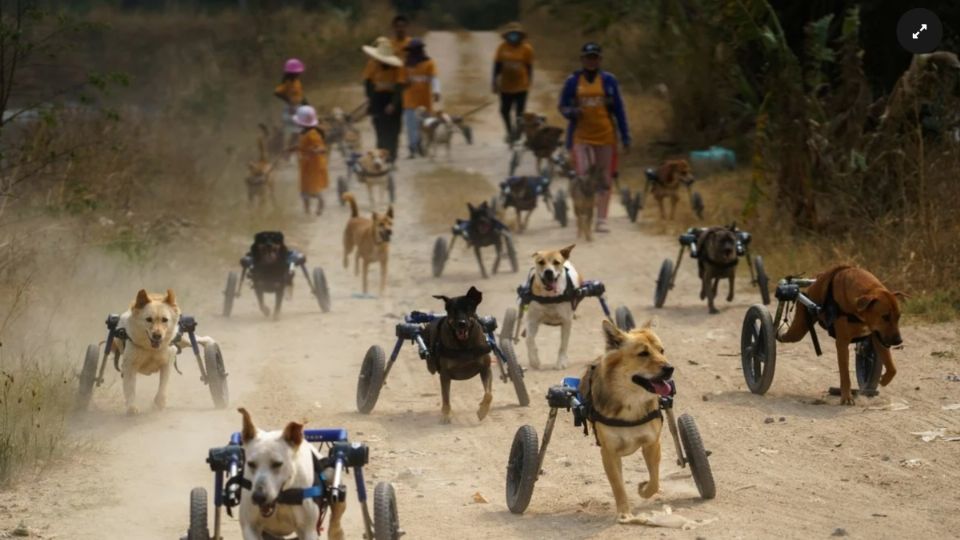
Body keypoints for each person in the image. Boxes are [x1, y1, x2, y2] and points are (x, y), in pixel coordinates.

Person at [558, 42, 631, 233]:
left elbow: (619, 111)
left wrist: (625, 137)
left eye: (595, 58)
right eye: (588, 58)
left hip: (606, 137)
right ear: (582, 59)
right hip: (581, 136)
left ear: (600, 60)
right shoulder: (573, 81)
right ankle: (584, 213)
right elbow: (562, 106)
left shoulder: (609, 81)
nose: (591, 61)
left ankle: (601, 218)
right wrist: (572, 112)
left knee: (604, 177)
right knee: (583, 177)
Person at [362, 37, 406, 163]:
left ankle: (392, 159)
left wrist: (393, 104)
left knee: (393, 132)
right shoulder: (372, 64)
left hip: (393, 100)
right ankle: (379, 159)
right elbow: (367, 84)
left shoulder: (398, 67)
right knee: (380, 131)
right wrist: (370, 102)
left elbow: (399, 87)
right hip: (378, 101)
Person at [493, 21, 534, 143]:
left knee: (519, 113)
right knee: (504, 110)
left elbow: (529, 67)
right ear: (507, 35)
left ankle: (517, 134)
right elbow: (497, 66)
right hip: (505, 86)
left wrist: (529, 82)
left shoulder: (527, 49)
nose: (513, 36)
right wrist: (494, 83)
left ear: (520, 35)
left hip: (521, 86)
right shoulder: (502, 47)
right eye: (511, 34)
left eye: (516, 34)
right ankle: (509, 131)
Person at [401, 38, 440, 158]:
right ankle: (412, 149)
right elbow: (401, 81)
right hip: (409, 100)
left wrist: (436, 91)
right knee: (411, 126)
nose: (412, 54)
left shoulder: (429, 63)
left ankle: (423, 147)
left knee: (425, 126)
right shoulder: (405, 65)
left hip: (425, 101)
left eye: (414, 51)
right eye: (411, 51)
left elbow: (434, 78)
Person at [291, 105, 328, 216]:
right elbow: (303, 146)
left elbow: (321, 147)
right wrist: (294, 148)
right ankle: (307, 212)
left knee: (314, 189)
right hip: (306, 166)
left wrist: (316, 150)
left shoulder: (313, 134)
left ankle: (320, 205)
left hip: (314, 166)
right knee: (305, 190)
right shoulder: (304, 133)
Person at [274, 58, 307, 154]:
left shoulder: (297, 81)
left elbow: (300, 95)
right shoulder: (287, 82)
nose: (298, 74)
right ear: (290, 73)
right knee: (294, 131)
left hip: (298, 107)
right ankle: (287, 153)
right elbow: (277, 93)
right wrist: (289, 101)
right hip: (291, 109)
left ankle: (293, 151)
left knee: (299, 131)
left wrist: (306, 104)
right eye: (296, 73)